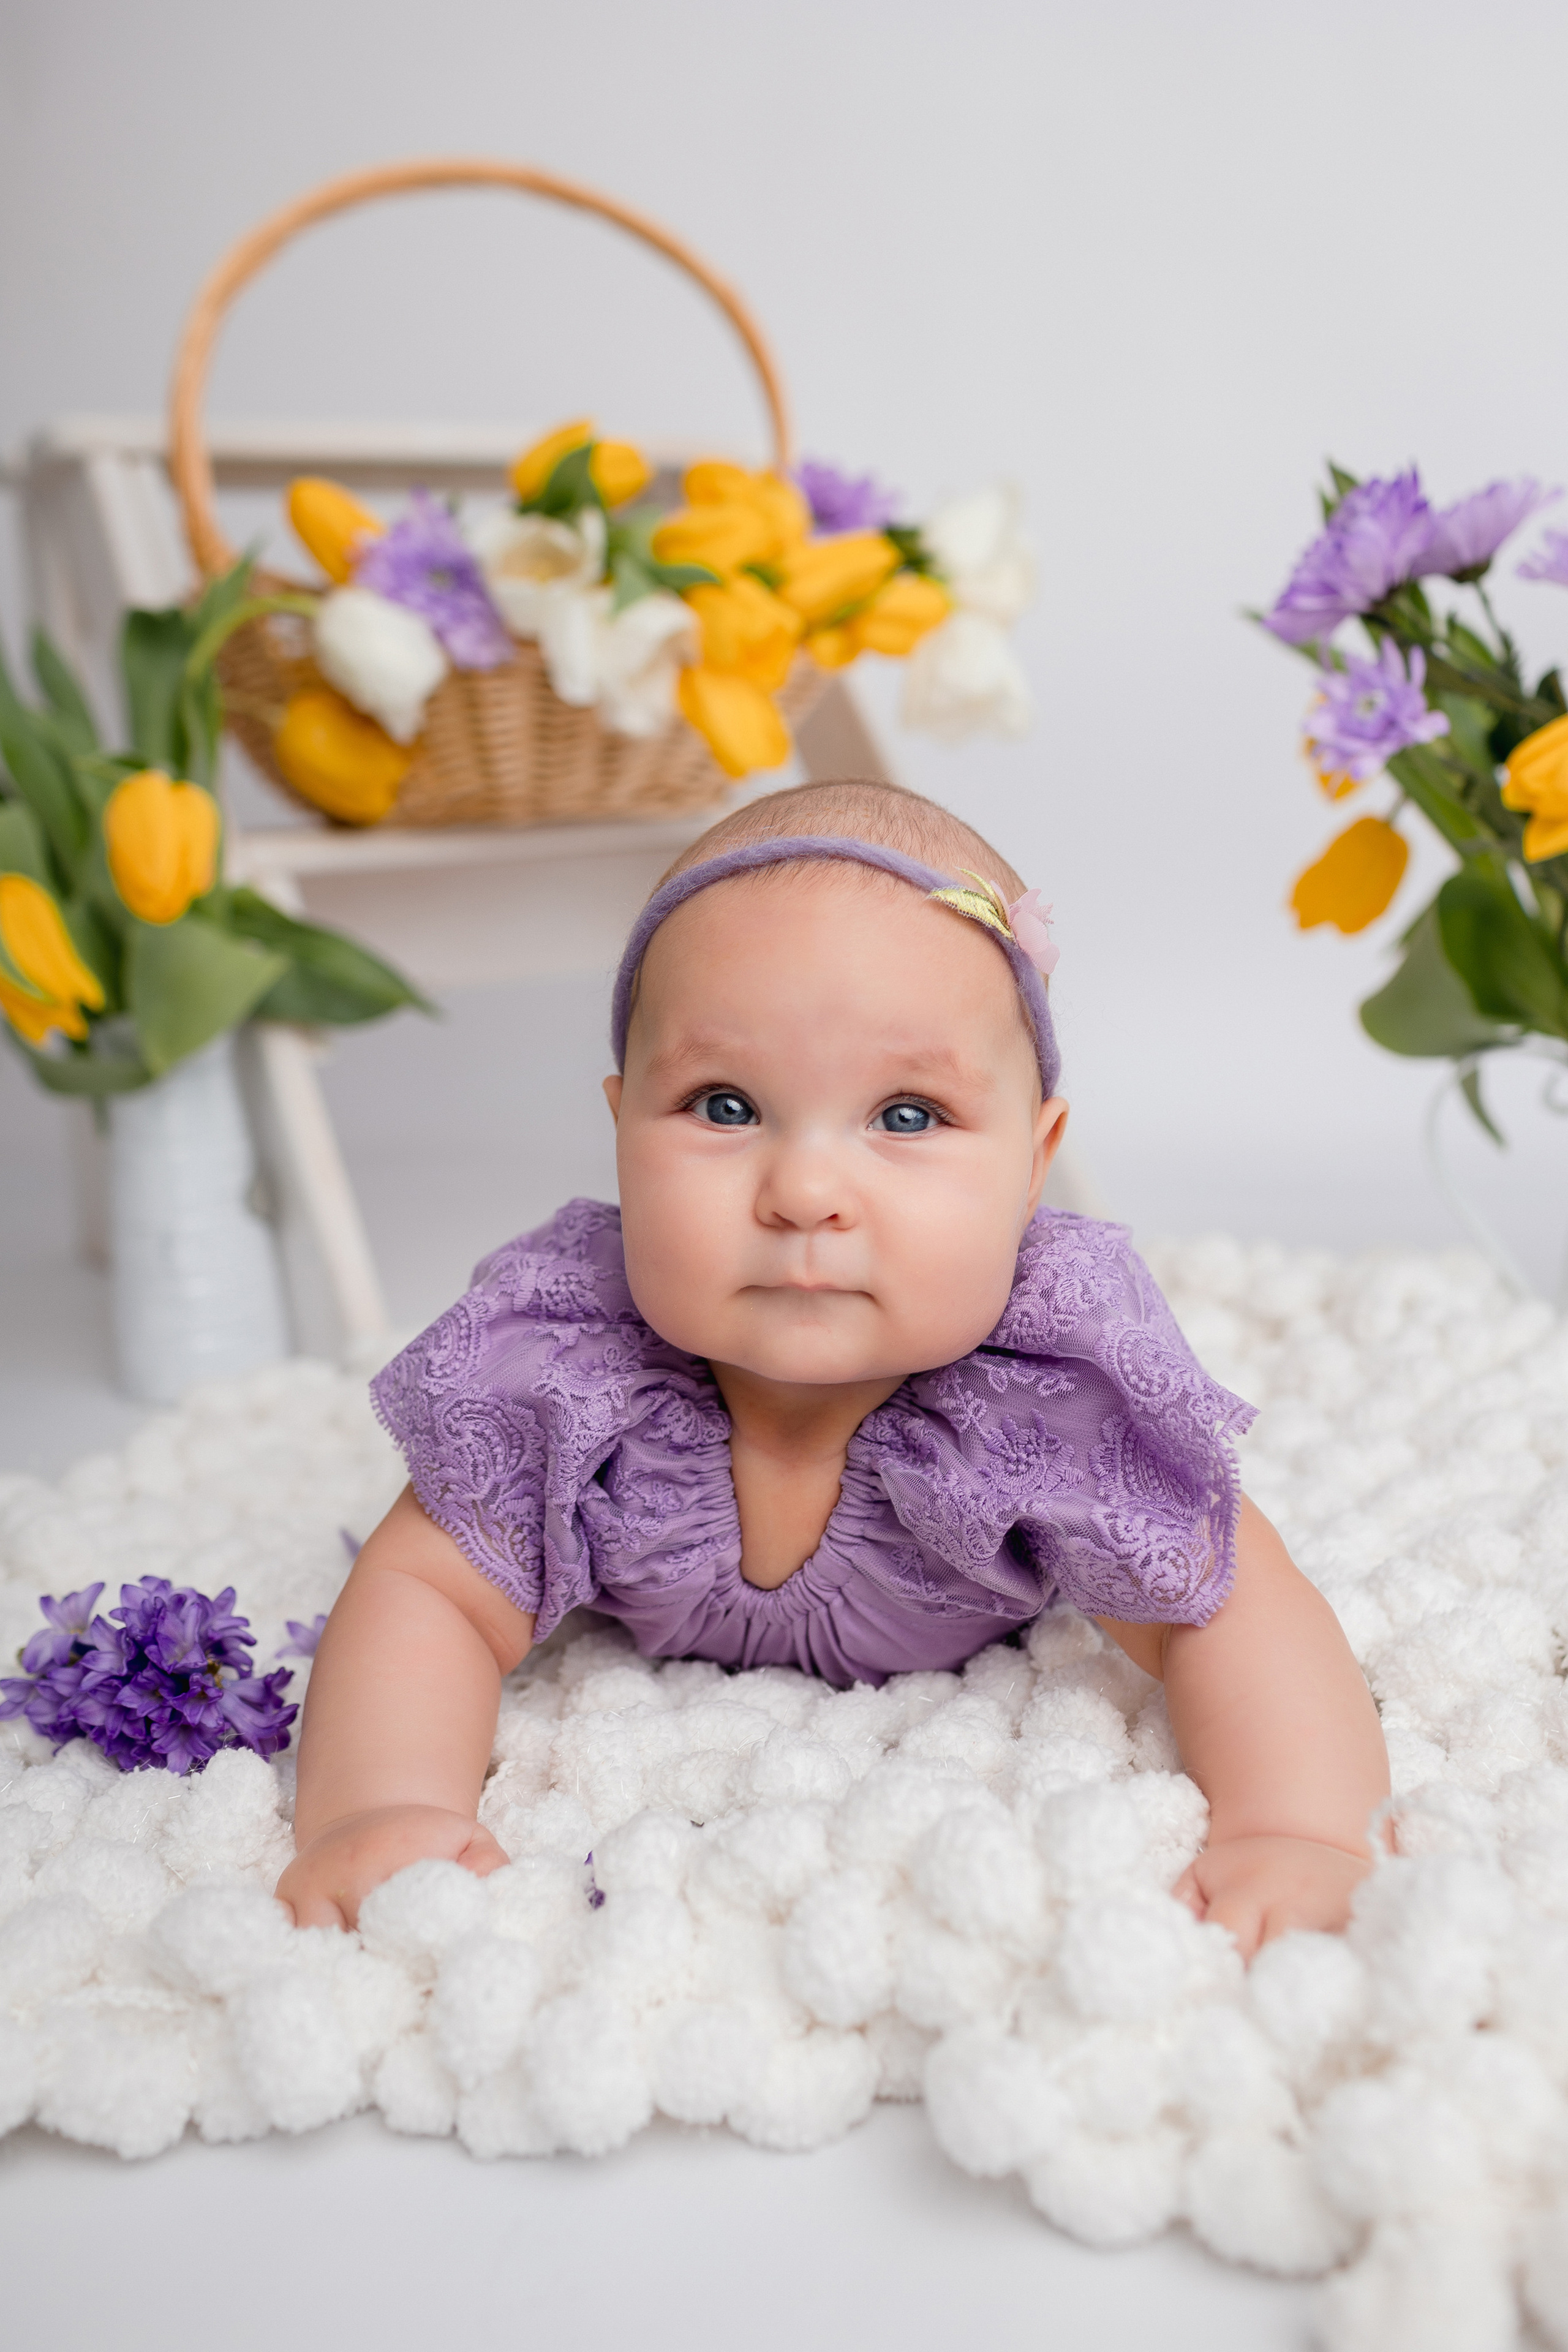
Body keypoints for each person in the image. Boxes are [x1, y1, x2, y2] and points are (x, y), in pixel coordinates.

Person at [277, 778, 1389, 1958]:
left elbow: (1227, 1607)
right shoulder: (572, 1371)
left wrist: (1300, 1827)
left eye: (906, 1117)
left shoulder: (1042, 1400)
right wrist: (381, 1807)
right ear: (619, 1129)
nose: (804, 1193)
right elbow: (428, 1595)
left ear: (1033, 1160)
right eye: (725, 1105)